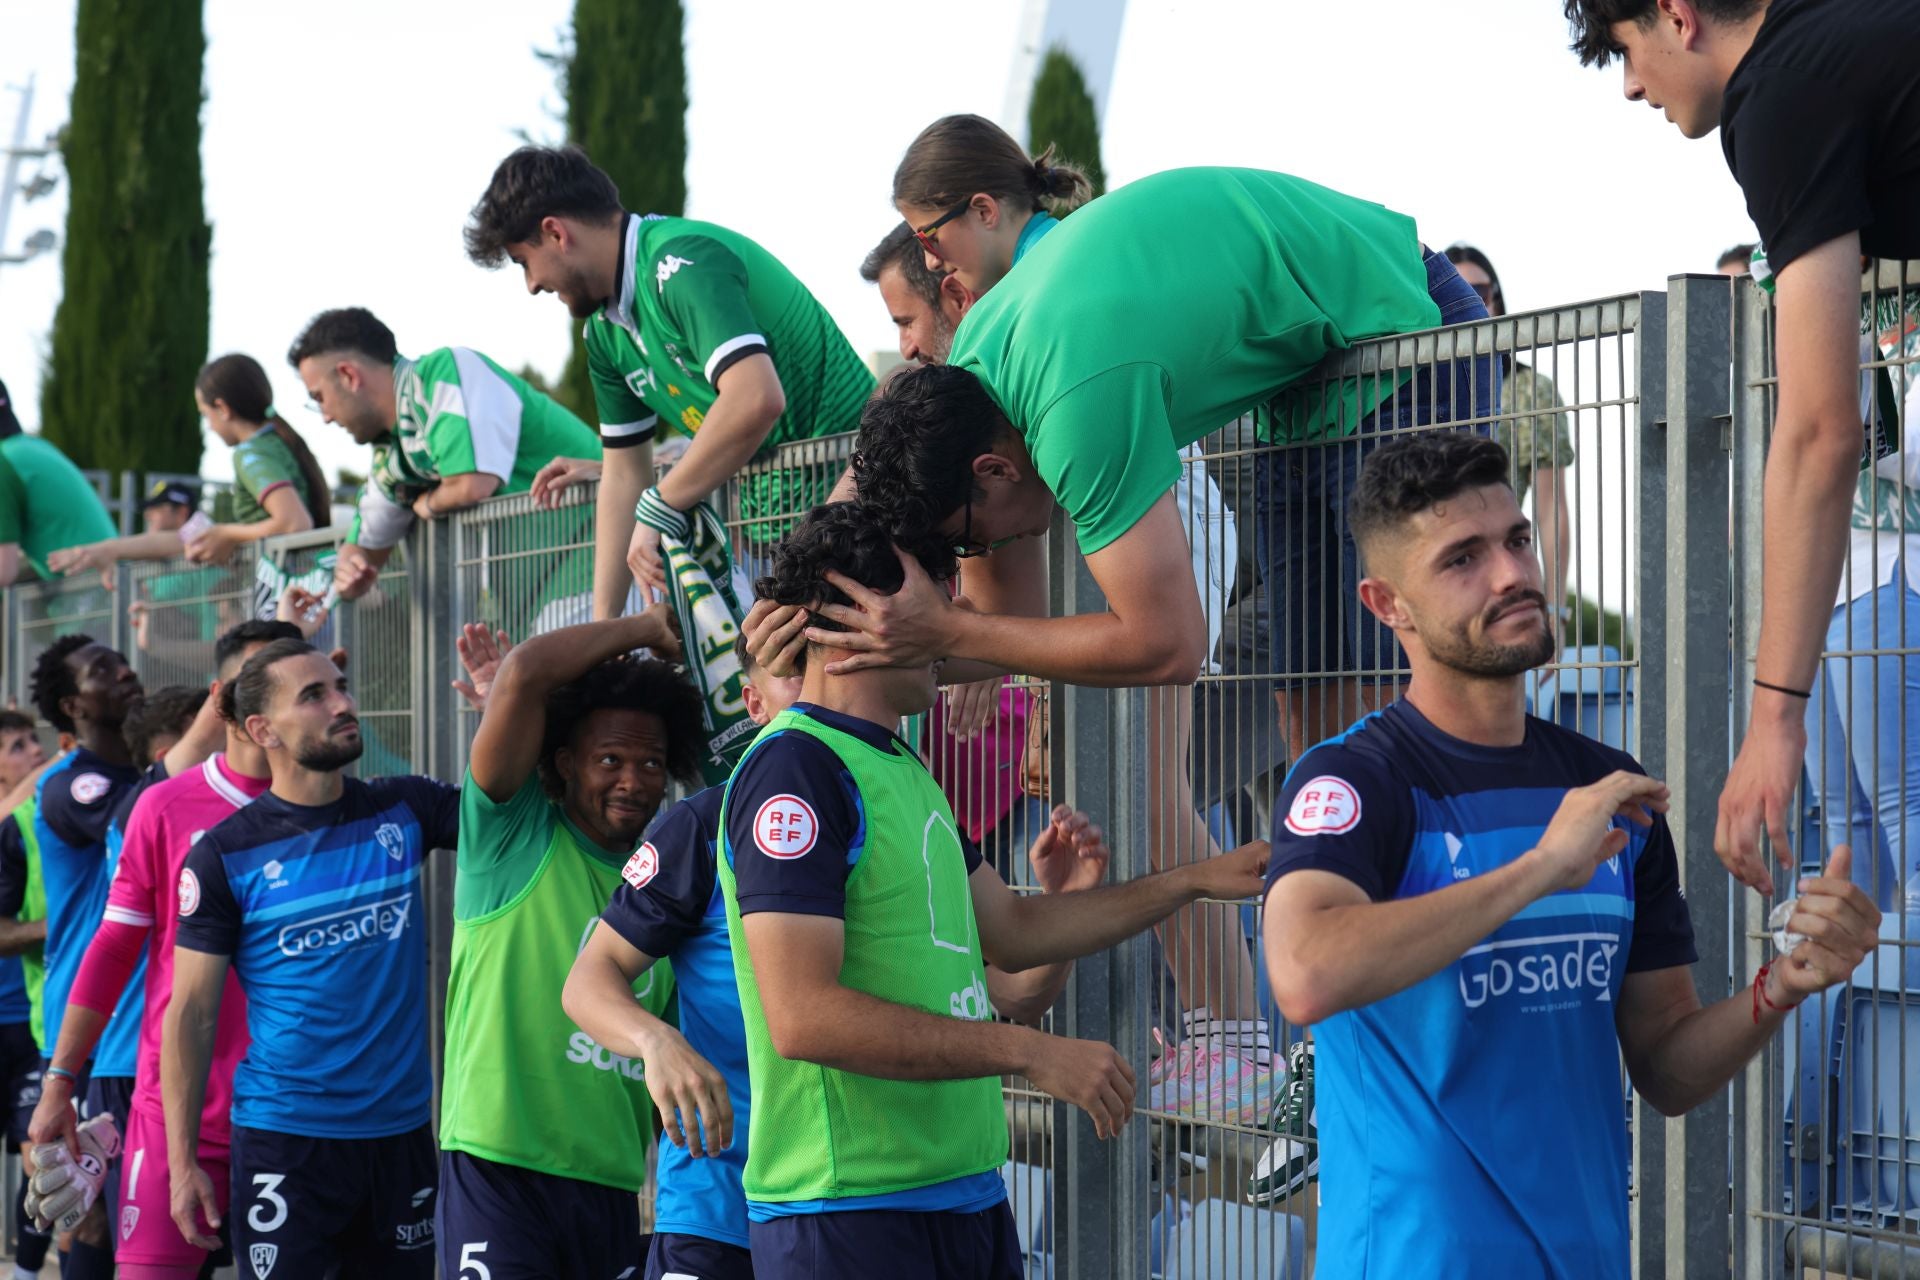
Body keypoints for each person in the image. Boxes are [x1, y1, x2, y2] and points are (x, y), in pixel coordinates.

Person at [809, 120, 1491, 1124]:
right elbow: (1003, 616)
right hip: (1307, 387)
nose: (973, 564)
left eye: (966, 540)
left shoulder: (1067, 399)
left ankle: (1437, 1046)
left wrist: (948, 638)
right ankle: (1348, 1062)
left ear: (992, 471)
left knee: (1387, 732)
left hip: (1401, 331)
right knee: (1320, 744)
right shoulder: (982, 375)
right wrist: (835, 627)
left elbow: (1166, 645)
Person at [1259, 431, 1880, 1277]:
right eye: (1463, 559)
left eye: (1517, 540)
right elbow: (1304, 972)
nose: (1512, 574)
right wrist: (1542, 868)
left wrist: (1782, 987)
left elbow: (1665, 1066)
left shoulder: (1607, 787)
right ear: (1386, 603)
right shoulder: (1355, 779)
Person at [716, 501, 1268, 1278]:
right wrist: (1031, 1054)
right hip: (847, 1214)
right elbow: (804, 1017)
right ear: (857, 621)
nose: (956, 628)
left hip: (964, 1196)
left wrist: (1194, 881)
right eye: (937, 607)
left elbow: (1012, 931)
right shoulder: (795, 769)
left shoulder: (900, 765)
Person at [1563, 0, 1920, 894]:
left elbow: (1820, 428)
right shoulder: (1846, 38)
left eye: (1624, 51)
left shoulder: (1780, 92)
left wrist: (1773, 721)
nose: (1632, 86)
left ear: (1676, 15)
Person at [463, 144, 875, 618]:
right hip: (788, 537)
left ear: (556, 233)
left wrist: (659, 505)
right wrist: (604, 630)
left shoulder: (680, 262)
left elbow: (755, 398)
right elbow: (624, 475)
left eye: (523, 261)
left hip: (863, 503)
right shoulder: (604, 333)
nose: (532, 285)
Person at [164, 639, 459, 1277]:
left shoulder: (405, 809)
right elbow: (191, 1015)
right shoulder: (223, 855)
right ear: (261, 730)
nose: (342, 704)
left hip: (401, 1136)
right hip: (286, 1142)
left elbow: (511, 811)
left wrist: (503, 702)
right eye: (314, 695)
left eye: (340, 687)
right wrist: (181, 1164)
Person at [433, 608, 705, 1280]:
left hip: (612, 1184)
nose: (633, 780)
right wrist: (647, 628)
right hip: (499, 1171)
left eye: (651, 763)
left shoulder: (669, 883)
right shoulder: (509, 837)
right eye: (610, 759)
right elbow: (525, 673)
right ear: (563, 763)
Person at [29, 621, 300, 1280]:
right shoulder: (117, 796)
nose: (124, 671)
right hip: (146, 1068)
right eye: (255, 680)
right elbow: (113, 939)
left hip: (302, 1110)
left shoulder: (347, 809)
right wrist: (61, 1078)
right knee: (90, 1222)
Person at [285, 306, 601, 604]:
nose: (325, 417)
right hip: (544, 594)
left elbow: (472, 483)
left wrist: (428, 504)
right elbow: (363, 548)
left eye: (319, 397)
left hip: (592, 558)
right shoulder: (390, 452)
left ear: (349, 376)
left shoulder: (444, 370)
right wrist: (349, 572)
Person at [22, 635, 146, 1277]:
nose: (124, 671)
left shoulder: (144, 772)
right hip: (88, 1025)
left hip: (139, 1018)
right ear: (73, 705)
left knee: (131, 1201)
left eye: (121, 661)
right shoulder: (72, 785)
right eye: (103, 670)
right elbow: (143, 818)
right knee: (88, 1206)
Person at [49, 356, 333, 585]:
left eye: (205, 414)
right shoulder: (276, 445)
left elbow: (295, 523)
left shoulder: (251, 454)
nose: (208, 426)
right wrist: (111, 549)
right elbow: (187, 539)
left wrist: (227, 534)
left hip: (292, 597)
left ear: (222, 408)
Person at [1443, 243, 1578, 610]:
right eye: (1452, 291)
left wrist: (1555, 608)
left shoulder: (1531, 389)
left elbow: (1551, 508)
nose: (1467, 302)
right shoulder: (1408, 393)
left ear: (1497, 301)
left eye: (1479, 292)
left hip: (1496, 578)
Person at [0, 710, 50, 1278]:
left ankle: (26, 1273)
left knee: (41, 1160)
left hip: (33, 1023)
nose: (35, 751)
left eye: (35, 741)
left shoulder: (42, 822)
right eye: (17, 746)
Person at [0, 377, 118, 587]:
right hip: (104, 583)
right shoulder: (30, 447)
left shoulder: (4, 462)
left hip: (89, 591)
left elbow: (3, 571)